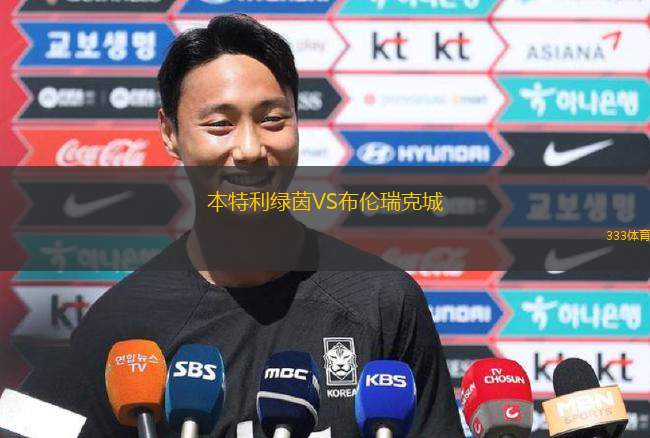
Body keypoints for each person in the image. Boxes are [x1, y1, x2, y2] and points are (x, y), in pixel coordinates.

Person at [20, 14, 464, 437]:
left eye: (272, 120)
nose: (250, 149)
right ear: (169, 132)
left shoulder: (384, 301)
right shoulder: (124, 323)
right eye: (220, 125)